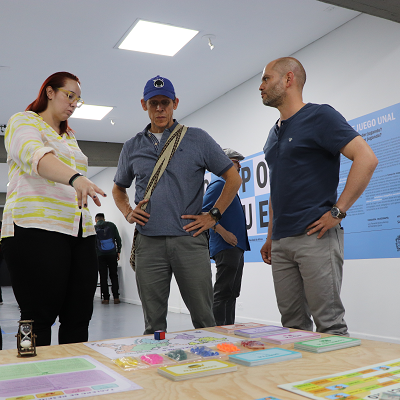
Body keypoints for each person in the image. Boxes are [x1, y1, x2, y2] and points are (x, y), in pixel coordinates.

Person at [112, 75, 242, 334]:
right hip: (148, 243)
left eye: (165, 102)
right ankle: (156, 371)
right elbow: (118, 188)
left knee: (205, 319)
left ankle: (211, 371)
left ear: (175, 103)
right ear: (144, 105)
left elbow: (233, 178)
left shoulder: (197, 139)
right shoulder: (132, 146)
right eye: (153, 103)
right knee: (153, 324)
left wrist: (213, 216)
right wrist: (128, 212)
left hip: (190, 242)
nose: (159, 108)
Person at [259, 57, 378, 335]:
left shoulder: (320, 116)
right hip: (281, 242)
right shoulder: (272, 134)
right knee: (292, 327)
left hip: (316, 237)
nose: (261, 86)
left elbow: (366, 158)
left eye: (266, 79)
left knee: (330, 325)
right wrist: (269, 236)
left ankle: (339, 381)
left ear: (288, 79)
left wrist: (337, 212)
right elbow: (278, 187)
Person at [1, 72, 106, 346]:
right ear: (49, 92)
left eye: (77, 99)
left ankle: (74, 379)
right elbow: (34, 154)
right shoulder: (24, 121)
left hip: (79, 232)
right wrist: (75, 178)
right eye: (69, 95)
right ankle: (32, 376)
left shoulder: (70, 136)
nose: (73, 103)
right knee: (37, 316)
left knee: (79, 314)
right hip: (35, 229)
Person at [202, 148, 250, 326]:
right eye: (236, 161)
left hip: (235, 247)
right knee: (223, 292)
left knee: (232, 292)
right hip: (225, 246)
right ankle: (218, 333)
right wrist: (223, 232)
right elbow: (204, 213)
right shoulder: (219, 185)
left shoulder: (228, 186)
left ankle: (228, 330)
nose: (239, 165)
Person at [94, 213, 122, 305]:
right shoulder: (111, 225)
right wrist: (118, 251)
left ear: (96, 220)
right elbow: (118, 239)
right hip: (112, 254)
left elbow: (92, 243)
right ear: (104, 219)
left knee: (103, 277)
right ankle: (116, 297)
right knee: (114, 275)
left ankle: (106, 298)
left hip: (100, 255)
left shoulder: (94, 228)